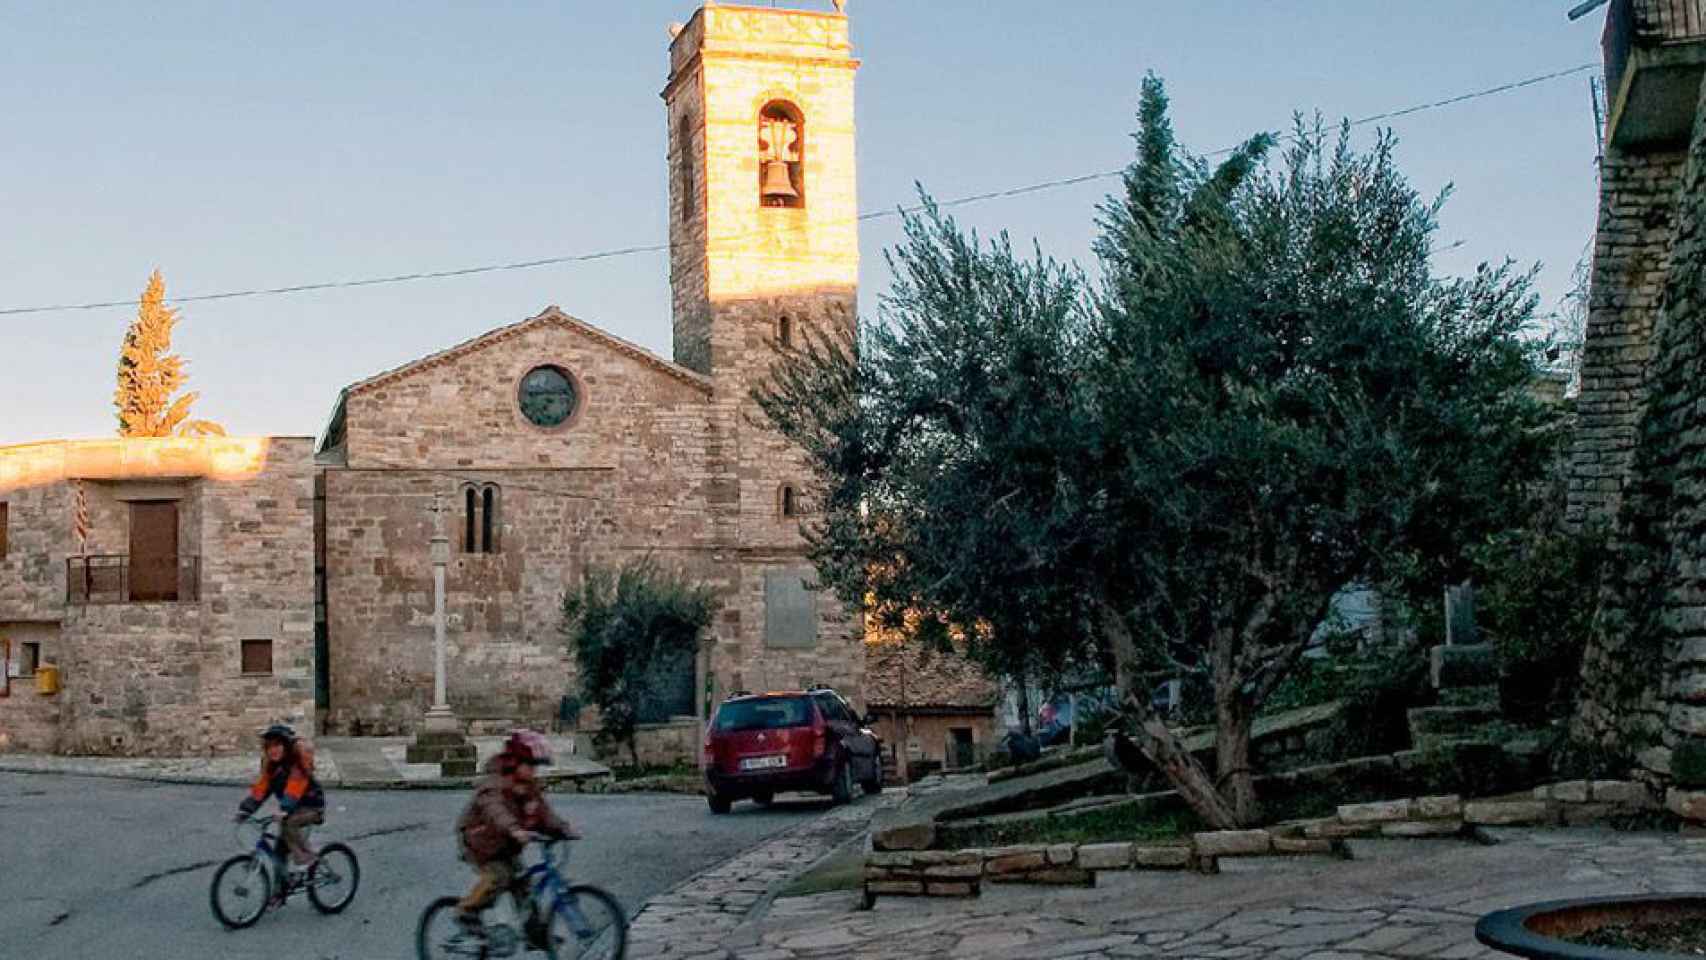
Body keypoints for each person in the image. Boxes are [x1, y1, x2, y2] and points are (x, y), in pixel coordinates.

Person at [454, 729, 579, 940]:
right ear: (514, 763)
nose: (533, 771)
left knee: (523, 885)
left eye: (535, 767)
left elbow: (543, 813)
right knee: (499, 876)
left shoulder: (529, 788)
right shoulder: (495, 784)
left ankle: (534, 933)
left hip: (506, 844)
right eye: (529, 765)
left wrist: (562, 829)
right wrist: (514, 828)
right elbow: (495, 811)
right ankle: (467, 910)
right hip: (481, 841)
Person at [234, 724, 326, 899]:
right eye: (269, 747)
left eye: (277, 745)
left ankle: (306, 859)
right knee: (278, 855)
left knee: (288, 823)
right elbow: (260, 791)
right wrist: (245, 810)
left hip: (311, 807)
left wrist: (285, 809)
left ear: (286, 746)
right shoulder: (273, 769)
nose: (272, 750)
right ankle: (279, 894)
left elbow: (294, 788)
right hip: (291, 810)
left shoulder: (296, 766)